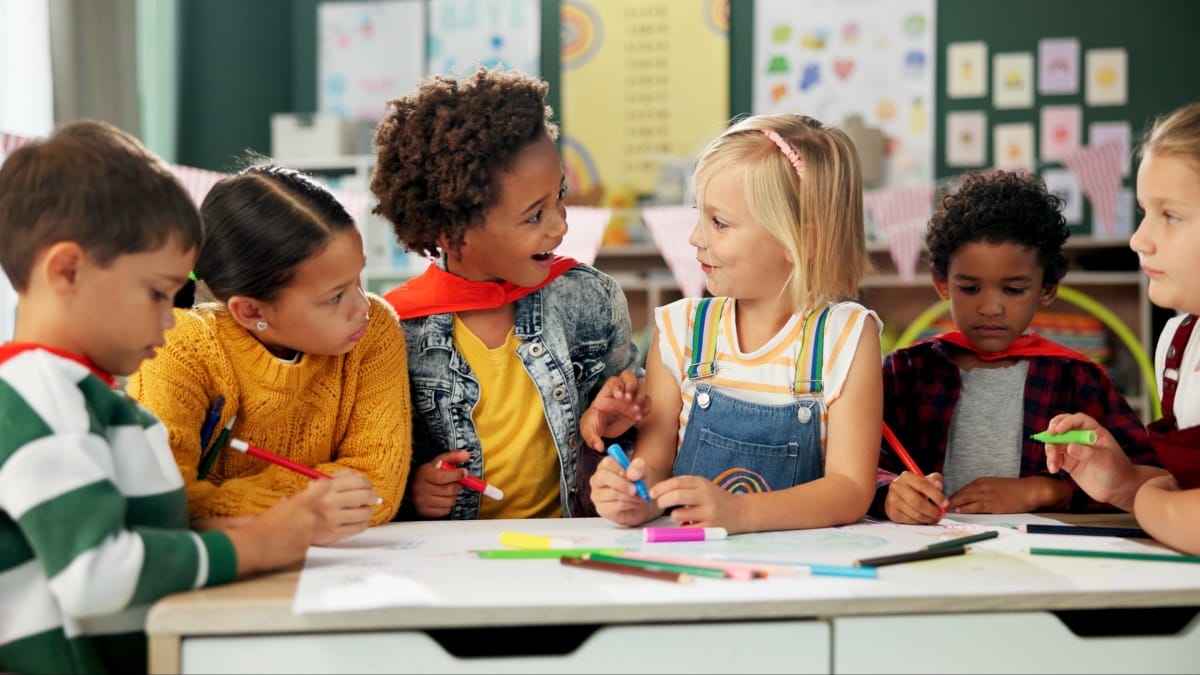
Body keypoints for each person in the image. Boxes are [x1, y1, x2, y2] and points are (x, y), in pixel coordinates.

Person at [0, 120, 334, 675]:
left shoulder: (89, 396)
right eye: (157, 293)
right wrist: (252, 550)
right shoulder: (38, 394)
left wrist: (214, 532)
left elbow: (124, 533)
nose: (170, 319)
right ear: (67, 270)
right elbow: (94, 573)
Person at [370, 66, 648, 520]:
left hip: (570, 541)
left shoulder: (591, 300)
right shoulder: (397, 329)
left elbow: (629, 433)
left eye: (559, 196)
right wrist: (413, 494)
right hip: (456, 560)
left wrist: (614, 420)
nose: (561, 225)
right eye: (534, 216)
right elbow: (376, 464)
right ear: (452, 232)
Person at [589, 113, 883, 533]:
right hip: (694, 566)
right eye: (699, 215)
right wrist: (633, 495)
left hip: (799, 573)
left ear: (801, 240)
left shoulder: (847, 337)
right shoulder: (680, 330)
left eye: (720, 223)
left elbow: (851, 489)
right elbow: (656, 466)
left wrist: (742, 514)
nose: (695, 237)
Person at [128, 164, 412, 540]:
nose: (361, 306)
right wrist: (311, 506)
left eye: (358, 277)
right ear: (252, 312)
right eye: (335, 297)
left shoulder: (373, 329)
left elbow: (377, 489)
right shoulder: (179, 348)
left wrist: (227, 502)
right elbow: (165, 501)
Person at [877, 169, 1156, 525]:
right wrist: (889, 493)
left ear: (1047, 289)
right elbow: (849, 465)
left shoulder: (1077, 378)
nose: (990, 307)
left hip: (1038, 564)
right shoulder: (905, 373)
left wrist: (1043, 491)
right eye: (969, 288)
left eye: (1012, 290)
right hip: (926, 560)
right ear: (942, 284)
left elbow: (1145, 479)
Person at [1045, 102, 1200, 555]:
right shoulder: (1179, 343)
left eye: (1169, 215)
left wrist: (1147, 498)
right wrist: (1126, 482)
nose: (1138, 238)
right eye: (1143, 212)